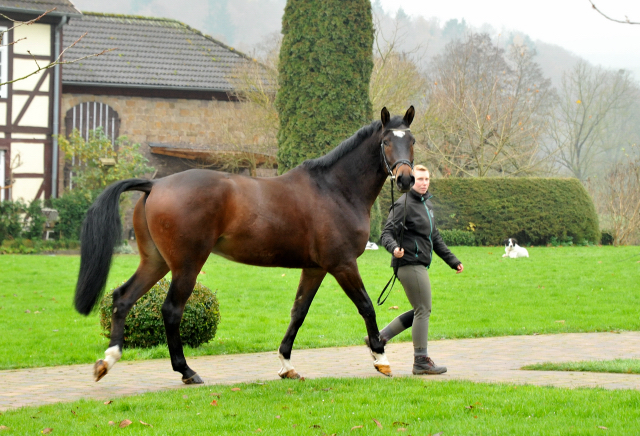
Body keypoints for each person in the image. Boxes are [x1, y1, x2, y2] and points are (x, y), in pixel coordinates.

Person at [378, 164, 463, 375]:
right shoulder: (403, 204)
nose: (423, 183)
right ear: (411, 181)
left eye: (426, 180)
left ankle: (379, 338)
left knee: (420, 309)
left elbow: (434, 238)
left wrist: (453, 261)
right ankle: (421, 361)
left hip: (418, 263)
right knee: (423, 309)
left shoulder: (427, 205)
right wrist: (394, 248)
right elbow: (386, 234)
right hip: (408, 263)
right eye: (419, 179)